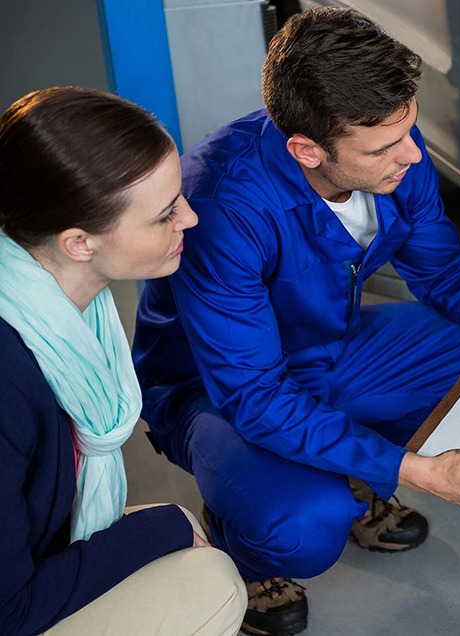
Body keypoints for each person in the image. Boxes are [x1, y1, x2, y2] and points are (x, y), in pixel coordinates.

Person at [132, 7, 460, 635]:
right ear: (306, 149)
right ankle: (244, 543)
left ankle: (343, 455)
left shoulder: (393, 156)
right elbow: (253, 394)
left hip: (333, 349)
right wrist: (417, 472)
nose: (412, 154)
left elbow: (444, 273)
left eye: (409, 129)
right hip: (217, 391)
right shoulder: (222, 204)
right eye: (384, 146)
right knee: (300, 525)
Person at [0, 87, 247, 636]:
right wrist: (164, 528)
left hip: (30, 552)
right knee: (211, 584)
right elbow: (8, 609)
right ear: (79, 243)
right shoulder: (7, 378)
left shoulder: (60, 307)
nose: (191, 219)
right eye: (164, 215)